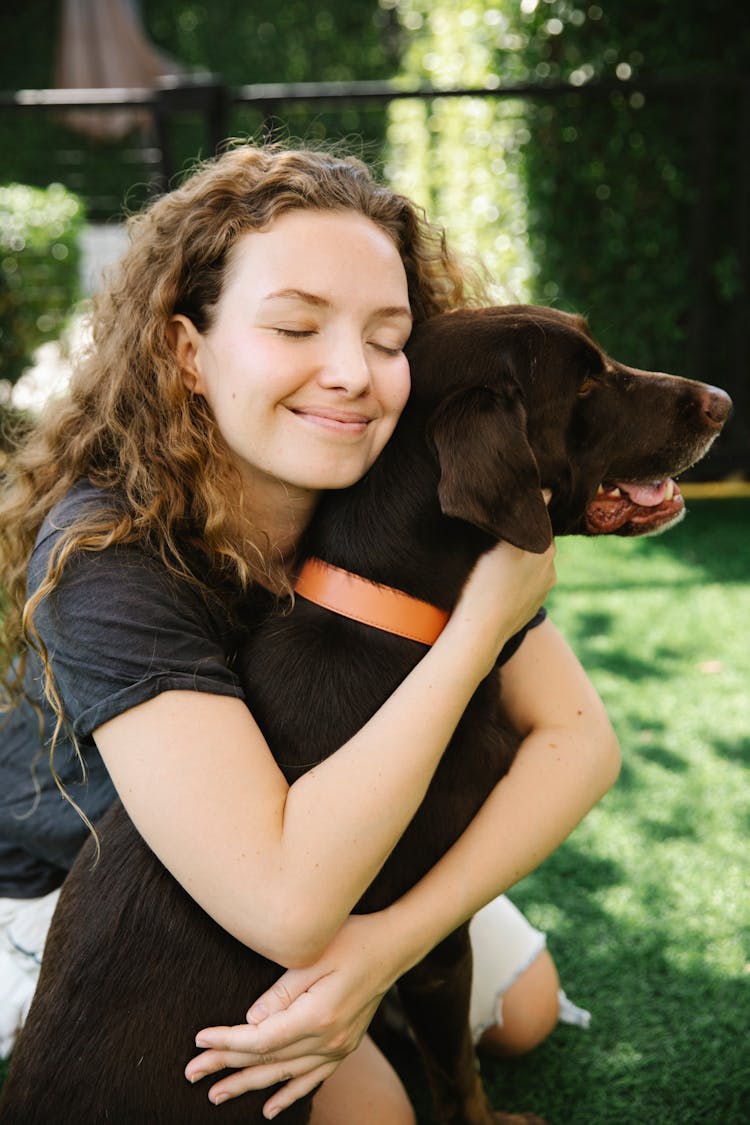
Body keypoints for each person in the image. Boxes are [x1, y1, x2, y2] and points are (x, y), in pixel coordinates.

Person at [0, 143, 619, 1122]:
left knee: (525, 1014)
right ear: (186, 350)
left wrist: (387, 947)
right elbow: (282, 905)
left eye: (387, 338)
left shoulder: (389, 474)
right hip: (126, 894)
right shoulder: (107, 554)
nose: (350, 375)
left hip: (331, 840)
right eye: (295, 325)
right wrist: (479, 630)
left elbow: (579, 741)